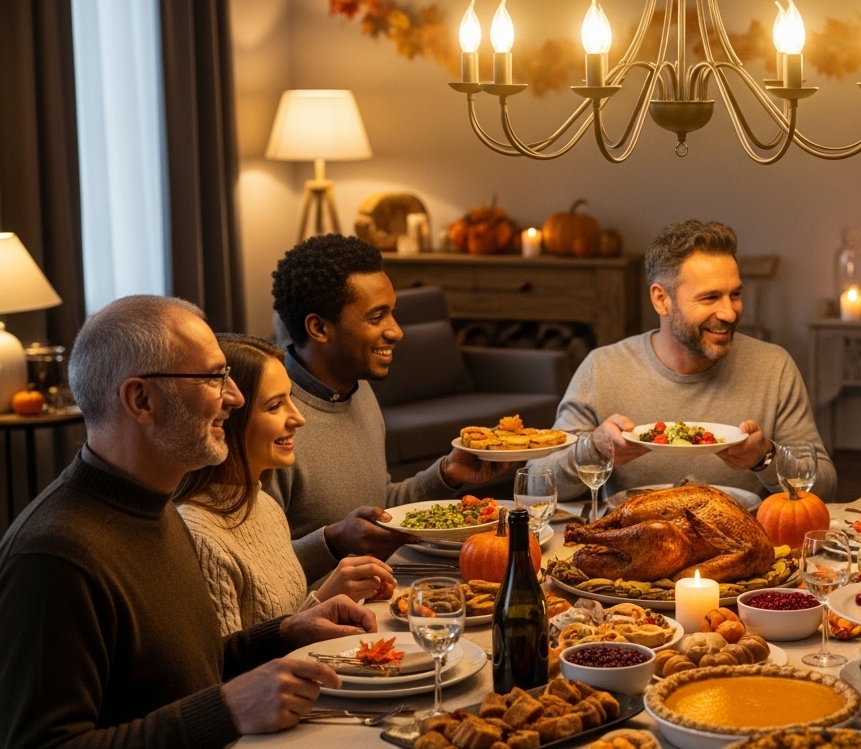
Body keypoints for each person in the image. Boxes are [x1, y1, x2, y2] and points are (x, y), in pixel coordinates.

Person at [0, 295, 378, 748]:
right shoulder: (55, 553)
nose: (234, 397)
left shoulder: (153, 503)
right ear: (141, 399)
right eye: (214, 378)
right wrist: (227, 709)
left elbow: (178, 672)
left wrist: (282, 633)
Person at [530, 220, 836, 501]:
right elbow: (535, 482)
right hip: (633, 547)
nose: (729, 313)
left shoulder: (774, 367)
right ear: (661, 299)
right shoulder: (602, 368)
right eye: (710, 298)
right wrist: (593, 451)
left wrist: (765, 458)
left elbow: (824, 486)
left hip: (739, 547)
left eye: (736, 294)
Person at [267, 235, 509, 582]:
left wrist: (446, 474)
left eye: (391, 313)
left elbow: (381, 503)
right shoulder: (268, 418)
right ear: (319, 328)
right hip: (315, 616)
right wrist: (332, 542)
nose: (396, 331)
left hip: (382, 587)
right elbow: (252, 573)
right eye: (377, 317)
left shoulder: (358, 387)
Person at [176, 334, 397, 636]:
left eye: (290, 399)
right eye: (275, 405)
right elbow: (229, 673)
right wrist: (327, 595)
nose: (298, 419)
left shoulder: (264, 505)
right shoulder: (200, 536)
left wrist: (330, 598)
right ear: (228, 417)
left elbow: (285, 623)